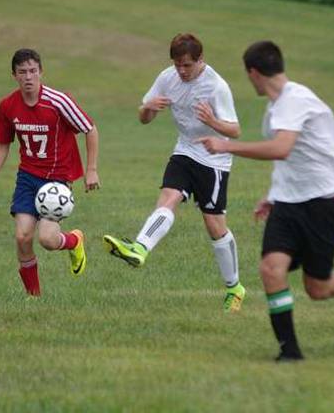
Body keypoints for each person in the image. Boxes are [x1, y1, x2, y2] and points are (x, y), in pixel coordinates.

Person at [197, 41, 334, 361]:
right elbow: (292, 158)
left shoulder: (294, 100)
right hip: (288, 204)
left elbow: (281, 148)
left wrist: (227, 147)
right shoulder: (276, 107)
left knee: (317, 288)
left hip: (323, 203)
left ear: (254, 73)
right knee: (272, 268)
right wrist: (273, 195)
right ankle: (290, 350)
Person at [102, 33, 246, 313]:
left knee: (215, 226)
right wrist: (147, 108)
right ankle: (140, 248)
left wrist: (212, 121)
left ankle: (234, 287)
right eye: (177, 65)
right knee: (168, 197)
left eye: (187, 66)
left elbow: (235, 131)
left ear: (200, 61)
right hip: (184, 151)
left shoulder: (216, 87)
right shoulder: (167, 78)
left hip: (214, 159)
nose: (181, 71)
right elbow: (143, 119)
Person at [0, 48, 100, 297]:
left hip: (57, 179)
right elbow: (3, 144)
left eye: (33, 71)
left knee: (46, 240)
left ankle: (74, 241)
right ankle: (34, 298)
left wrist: (91, 170)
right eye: (22, 72)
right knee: (23, 237)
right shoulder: (7, 106)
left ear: (41, 72)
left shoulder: (58, 102)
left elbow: (90, 129)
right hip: (27, 178)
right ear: (14, 75)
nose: (28, 77)